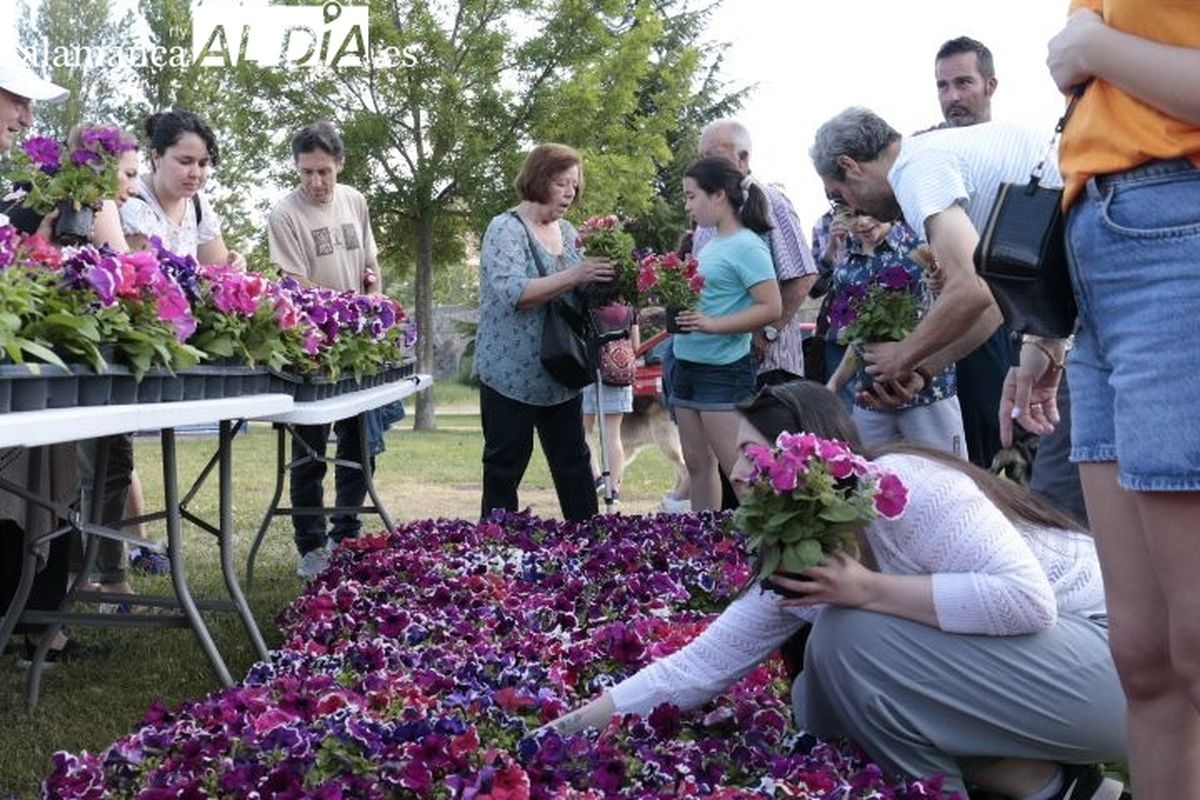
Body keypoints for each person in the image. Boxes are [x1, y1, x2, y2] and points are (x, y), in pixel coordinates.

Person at [543, 381, 1127, 800]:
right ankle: (1054, 787)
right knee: (818, 699)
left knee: (848, 636)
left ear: (808, 453)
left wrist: (867, 590)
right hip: (1053, 683)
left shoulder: (910, 488)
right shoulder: (812, 546)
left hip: (1120, 666)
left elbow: (1026, 600)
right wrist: (557, 733)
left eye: (751, 455)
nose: (738, 474)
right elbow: (702, 664)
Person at [1001, 6, 1200, 798]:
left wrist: (1095, 47)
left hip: (1179, 233)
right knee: (1145, 657)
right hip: (1103, 246)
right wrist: (1048, 334)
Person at [807, 107, 1050, 435]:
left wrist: (902, 355)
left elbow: (969, 289)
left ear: (849, 165)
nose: (853, 210)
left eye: (839, 196)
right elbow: (993, 302)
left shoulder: (913, 169)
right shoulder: (933, 156)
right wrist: (923, 370)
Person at [933, 37, 1087, 523]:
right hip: (995, 339)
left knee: (1053, 476)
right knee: (991, 451)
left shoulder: (1026, 150)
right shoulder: (939, 155)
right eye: (943, 85)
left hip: (1034, 330)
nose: (953, 96)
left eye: (963, 83)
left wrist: (915, 361)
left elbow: (981, 290)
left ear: (990, 85)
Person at [267, 121, 383, 578]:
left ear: (341, 165)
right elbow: (296, 286)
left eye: (323, 172)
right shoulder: (285, 215)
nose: (314, 182)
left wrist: (373, 296)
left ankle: (347, 536)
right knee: (309, 453)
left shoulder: (355, 200)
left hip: (360, 347)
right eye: (305, 172)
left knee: (360, 449)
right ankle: (311, 547)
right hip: (311, 348)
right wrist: (347, 308)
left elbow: (371, 265)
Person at [474, 143, 613, 522]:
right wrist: (577, 274)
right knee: (505, 466)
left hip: (561, 372)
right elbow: (514, 293)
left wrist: (608, 281)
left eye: (575, 184)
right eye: (561, 183)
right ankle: (496, 553)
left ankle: (590, 544)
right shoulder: (505, 228)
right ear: (538, 179)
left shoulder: (568, 232)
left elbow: (579, 293)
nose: (570, 192)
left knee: (574, 465)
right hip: (510, 375)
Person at [0, 57, 81, 663]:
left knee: (45, 489)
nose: (26, 115)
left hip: (26, 363)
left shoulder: (20, 179)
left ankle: (35, 621)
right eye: (16, 100)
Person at [672, 157, 781, 511]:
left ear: (718, 195)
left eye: (692, 196)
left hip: (721, 371)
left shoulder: (748, 245)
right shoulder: (711, 243)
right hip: (686, 367)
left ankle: (763, 552)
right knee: (698, 467)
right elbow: (711, 299)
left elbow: (771, 307)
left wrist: (712, 325)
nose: (688, 205)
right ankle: (705, 546)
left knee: (739, 471)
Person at [824, 212, 964, 455]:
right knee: (869, 479)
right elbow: (858, 338)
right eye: (851, 216)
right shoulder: (846, 265)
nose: (864, 222)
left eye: (867, 212)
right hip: (871, 396)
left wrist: (942, 285)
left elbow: (958, 305)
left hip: (927, 392)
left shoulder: (922, 245)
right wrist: (835, 383)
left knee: (948, 476)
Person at [693, 120, 819, 388]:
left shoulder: (769, 200)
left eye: (711, 156)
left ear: (743, 157)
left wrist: (767, 335)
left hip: (767, 365)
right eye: (700, 158)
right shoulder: (707, 215)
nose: (704, 166)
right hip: (720, 364)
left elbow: (802, 277)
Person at [120, 110, 245, 269]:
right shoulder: (131, 202)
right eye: (185, 162)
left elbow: (219, 269)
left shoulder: (198, 204)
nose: (195, 174)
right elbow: (143, 283)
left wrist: (235, 266)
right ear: (156, 157)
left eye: (202, 164)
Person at [581, 305, 639, 507]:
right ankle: (613, 488)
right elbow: (636, 344)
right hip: (618, 373)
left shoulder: (588, 301)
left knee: (584, 430)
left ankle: (596, 476)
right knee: (612, 435)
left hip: (590, 371)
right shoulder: (629, 306)